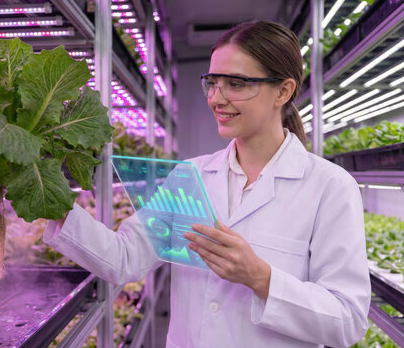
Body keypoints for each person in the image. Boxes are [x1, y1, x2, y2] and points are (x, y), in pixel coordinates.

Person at [44, 20, 370, 348]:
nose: (217, 98)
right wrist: (48, 197)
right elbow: (125, 257)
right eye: (212, 83)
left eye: (236, 84)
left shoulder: (329, 187)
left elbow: (348, 321)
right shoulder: (191, 177)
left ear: (283, 91)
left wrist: (259, 277)